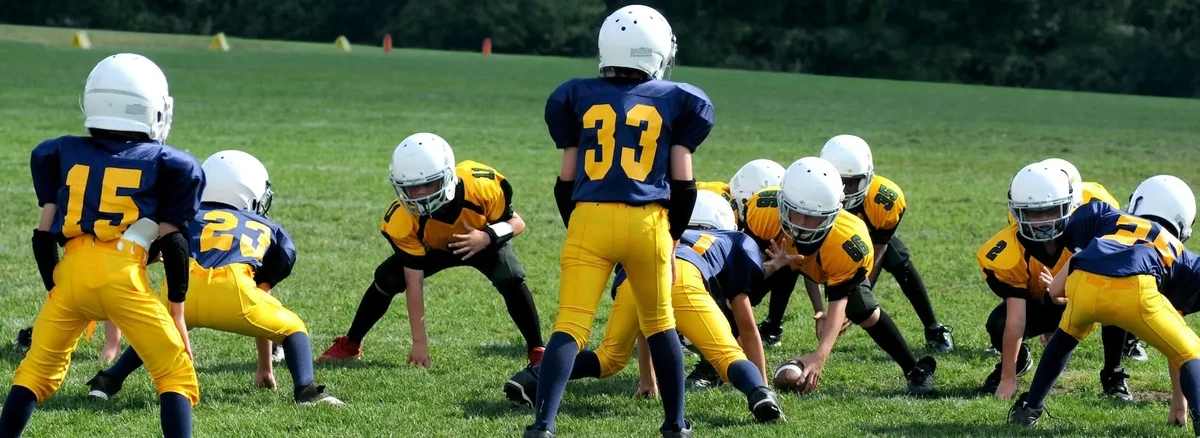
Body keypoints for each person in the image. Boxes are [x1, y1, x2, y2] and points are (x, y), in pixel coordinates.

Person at [531, 4, 714, 437]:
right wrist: (670, 238)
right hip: (647, 221)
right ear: (654, 53)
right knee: (660, 324)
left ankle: (543, 426)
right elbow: (685, 186)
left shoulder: (576, 95)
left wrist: (581, 228)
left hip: (588, 218)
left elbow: (564, 182)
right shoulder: (677, 99)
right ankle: (675, 425)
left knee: (570, 326)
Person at [0, 53, 201, 437]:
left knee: (35, 370)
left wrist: (55, 288)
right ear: (152, 108)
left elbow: (43, 235)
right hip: (123, 277)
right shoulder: (171, 164)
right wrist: (177, 312)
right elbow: (174, 243)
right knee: (174, 372)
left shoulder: (58, 151)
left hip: (71, 273)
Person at [85, 150, 342, 406]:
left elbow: (145, 250)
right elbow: (263, 293)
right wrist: (265, 365)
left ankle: (107, 381)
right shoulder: (269, 229)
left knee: (156, 333)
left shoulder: (183, 215)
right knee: (293, 328)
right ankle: (306, 391)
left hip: (183, 292)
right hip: (234, 293)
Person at [504, 192, 783, 423]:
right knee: (726, 356)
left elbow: (645, 324)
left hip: (635, 278)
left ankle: (532, 376)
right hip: (683, 279)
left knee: (609, 357)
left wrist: (648, 380)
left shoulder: (664, 232)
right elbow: (746, 327)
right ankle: (759, 395)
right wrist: (764, 383)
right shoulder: (733, 240)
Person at [318, 133, 544, 367]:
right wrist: (419, 341)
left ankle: (537, 349)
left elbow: (517, 222)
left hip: (479, 241)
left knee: (511, 275)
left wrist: (486, 237)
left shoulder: (482, 186)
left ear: (447, 175)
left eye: (428, 184)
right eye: (412, 187)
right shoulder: (403, 218)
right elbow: (413, 282)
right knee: (387, 278)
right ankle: (351, 343)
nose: (419, 195)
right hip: (432, 249)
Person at [1007, 170, 1200, 434]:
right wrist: (1179, 406)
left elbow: (1054, 289)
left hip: (1086, 279)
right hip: (1136, 288)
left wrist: (1069, 299)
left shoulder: (1107, 216)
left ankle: (1029, 408)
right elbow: (1178, 345)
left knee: (1066, 334)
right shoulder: (1181, 253)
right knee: (1191, 352)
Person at [767, 157, 936, 395]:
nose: (803, 224)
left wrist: (820, 356)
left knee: (863, 308)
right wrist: (767, 269)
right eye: (796, 213)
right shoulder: (764, 214)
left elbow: (839, 298)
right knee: (749, 278)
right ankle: (721, 358)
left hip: (833, 260)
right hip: (785, 257)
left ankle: (915, 370)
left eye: (812, 216)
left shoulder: (847, 241)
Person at [978, 160, 1133, 400]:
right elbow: (1016, 319)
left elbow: (1109, 285)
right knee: (999, 322)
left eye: (1049, 210)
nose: (1040, 221)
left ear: (1071, 205)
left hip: (1091, 299)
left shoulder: (1093, 228)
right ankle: (1017, 363)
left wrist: (1062, 292)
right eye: (1032, 212)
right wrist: (1008, 378)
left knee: (1117, 298)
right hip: (1042, 303)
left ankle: (1113, 374)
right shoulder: (1010, 250)